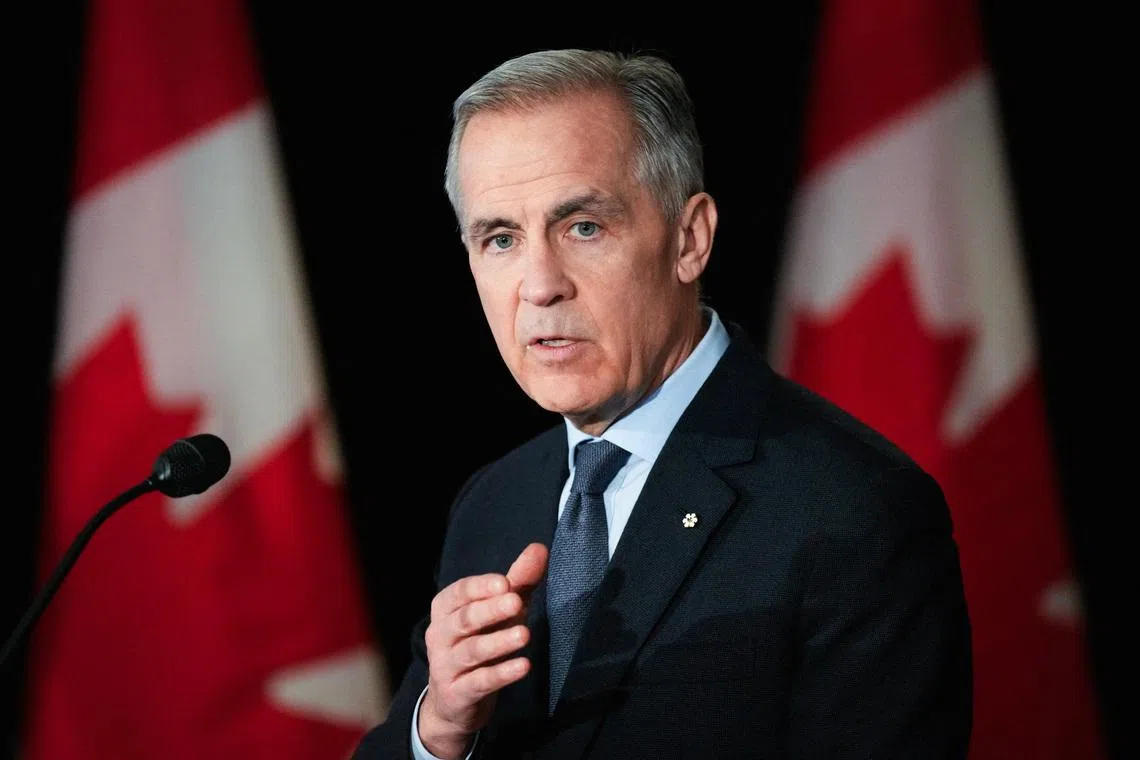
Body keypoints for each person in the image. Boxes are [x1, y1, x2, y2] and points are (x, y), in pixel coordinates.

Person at [352, 48, 972, 759]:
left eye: (583, 227)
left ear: (689, 238)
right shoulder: (492, 503)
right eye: (500, 239)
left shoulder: (856, 509)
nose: (539, 285)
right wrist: (439, 730)